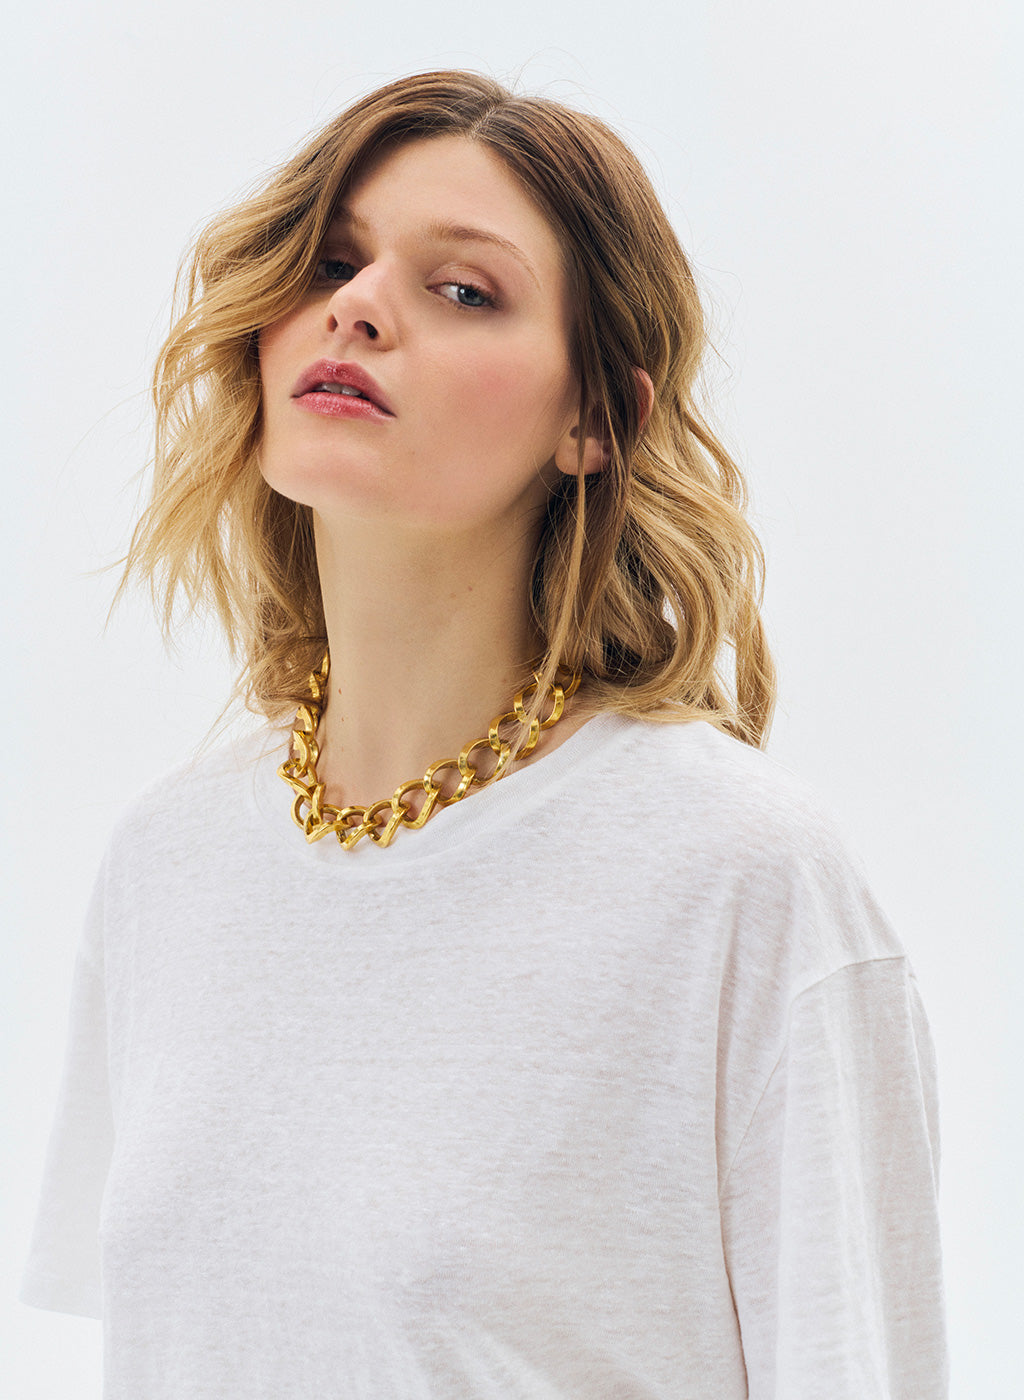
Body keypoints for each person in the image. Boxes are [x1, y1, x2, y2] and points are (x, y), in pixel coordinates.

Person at [19, 69, 948, 1399]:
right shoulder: (168, 862)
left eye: (464, 290)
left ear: (596, 419)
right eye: (330, 260)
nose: (357, 306)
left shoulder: (740, 879)